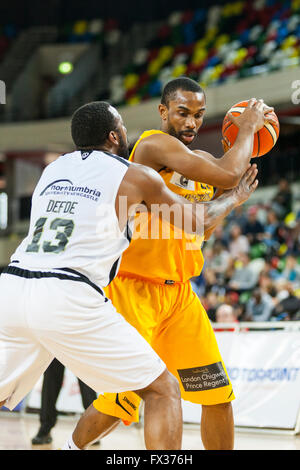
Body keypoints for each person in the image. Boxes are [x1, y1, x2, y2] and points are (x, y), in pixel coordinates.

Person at [67, 77, 273, 450]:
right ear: (163, 112)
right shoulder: (151, 145)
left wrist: (233, 198)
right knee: (120, 403)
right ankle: (69, 447)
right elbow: (229, 173)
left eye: (198, 115)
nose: (191, 123)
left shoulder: (201, 166)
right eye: (182, 113)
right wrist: (247, 129)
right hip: (134, 290)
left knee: (217, 395)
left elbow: (204, 226)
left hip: (179, 297)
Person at [31, 359, 98, 445]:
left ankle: (93, 428)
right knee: (50, 378)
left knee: (86, 380)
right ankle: (45, 428)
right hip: (56, 346)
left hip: (82, 346)